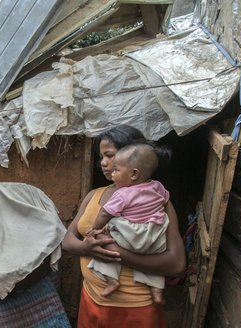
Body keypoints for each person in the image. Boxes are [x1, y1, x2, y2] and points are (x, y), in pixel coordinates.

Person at [62, 125, 186, 327]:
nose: (103, 163)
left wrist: (115, 252)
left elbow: (177, 264)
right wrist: (86, 248)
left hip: (135, 309)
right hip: (91, 298)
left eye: (110, 155)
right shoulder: (94, 195)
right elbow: (67, 240)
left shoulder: (156, 202)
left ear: (132, 157)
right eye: (101, 156)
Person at [86, 143, 171, 305]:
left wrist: (95, 229)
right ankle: (157, 291)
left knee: (104, 242)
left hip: (131, 236)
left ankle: (112, 280)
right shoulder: (158, 186)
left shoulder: (122, 194)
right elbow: (165, 200)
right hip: (154, 238)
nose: (113, 174)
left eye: (117, 170)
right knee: (154, 259)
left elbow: (105, 213)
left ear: (134, 174)